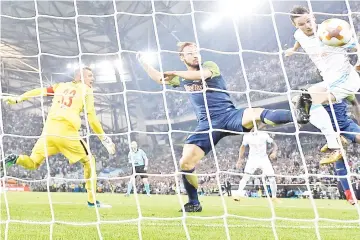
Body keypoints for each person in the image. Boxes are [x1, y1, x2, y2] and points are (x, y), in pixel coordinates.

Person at [137, 42, 305, 212]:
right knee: (185, 162)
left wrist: (176, 73)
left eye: (197, 52)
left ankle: (297, 115)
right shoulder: (181, 78)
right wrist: (144, 62)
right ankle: (194, 203)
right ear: (182, 57)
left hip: (228, 115)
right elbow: (159, 78)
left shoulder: (210, 66)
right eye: (190, 53)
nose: (195, 55)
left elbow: (202, 75)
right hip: (206, 125)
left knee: (256, 114)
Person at [2, 67, 115, 208]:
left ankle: (16, 159)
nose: (93, 79)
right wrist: (104, 139)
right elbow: (91, 118)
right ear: (80, 76)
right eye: (90, 76)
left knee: (33, 162)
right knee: (89, 161)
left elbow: (39, 91)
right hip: (66, 131)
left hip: (48, 132)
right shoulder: (86, 90)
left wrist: (18, 99)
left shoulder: (61, 86)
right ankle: (92, 201)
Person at [286, 5, 360, 164]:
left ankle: (336, 144)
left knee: (306, 102)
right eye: (301, 24)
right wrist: (293, 50)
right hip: (329, 81)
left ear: (313, 17)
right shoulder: (298, 34)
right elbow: (299, 39)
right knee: (298, 102)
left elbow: (355, 45)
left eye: (308, 21)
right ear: (296, 26)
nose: (307, 26)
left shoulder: (330, 32)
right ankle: (334, 140)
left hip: (345, 79)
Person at [235, 125, 280, 203]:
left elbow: (274, 145)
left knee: (272, 178)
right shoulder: (247, 136)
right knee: (246, 177)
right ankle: (238, 194)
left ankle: (274, 197)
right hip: (252, 159)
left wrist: (274, 152)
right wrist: (240, 159)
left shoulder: (264, 135)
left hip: (264, 159)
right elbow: (242, 147)